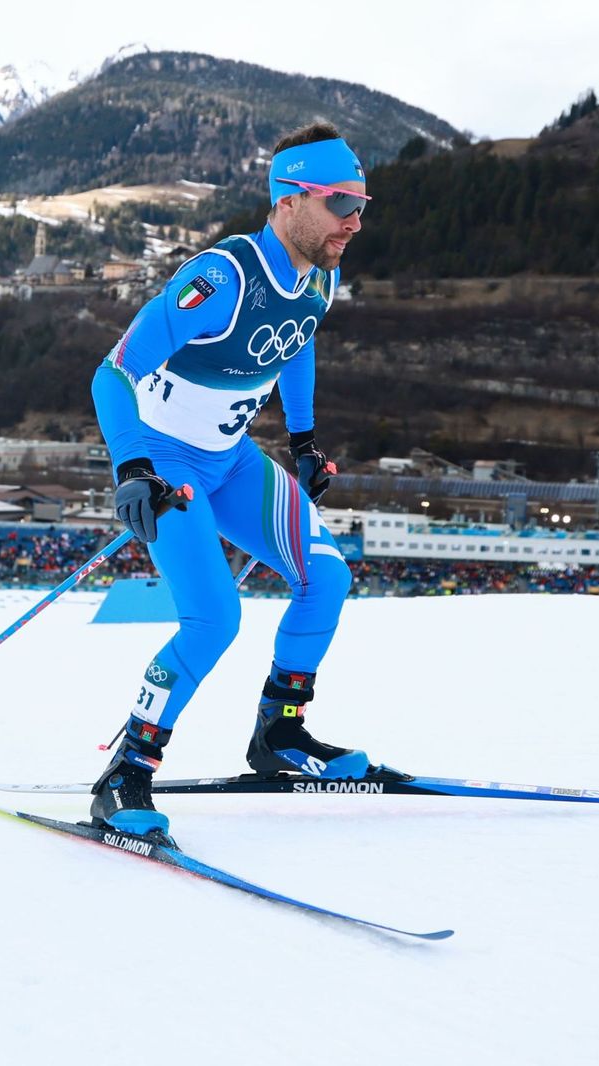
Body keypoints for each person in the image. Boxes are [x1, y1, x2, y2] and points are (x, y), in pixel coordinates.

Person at [88, 123, 372, 842]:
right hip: (166, 462)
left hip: (231, 459)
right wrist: (132, 468)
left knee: (327, 578)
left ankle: (279, 734)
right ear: (288, 199)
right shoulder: (222, 280)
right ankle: (125, 772)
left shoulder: (321, 275)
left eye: (362, 204)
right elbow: (112, 373)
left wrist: (303, 441)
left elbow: (297, 344)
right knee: (215, 619)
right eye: (340, 203)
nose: (354, 221)